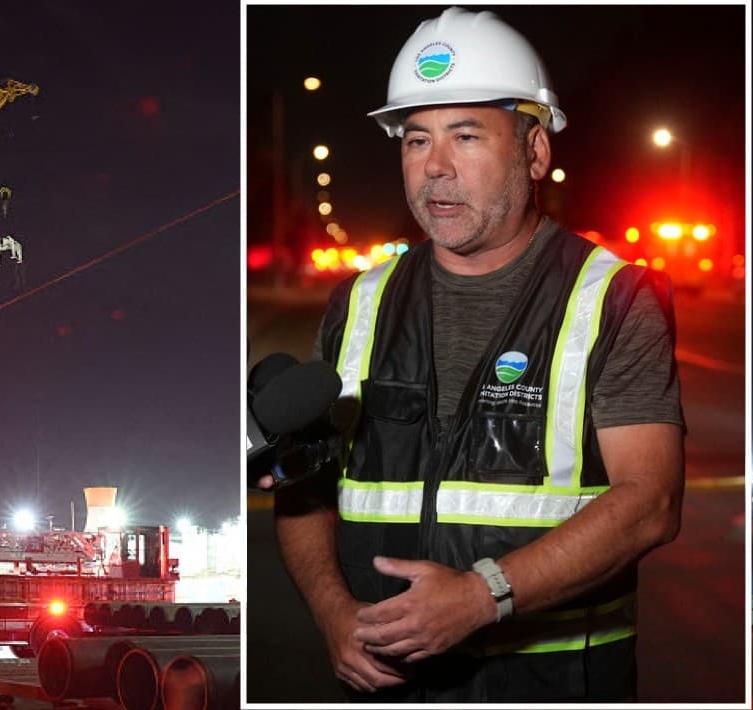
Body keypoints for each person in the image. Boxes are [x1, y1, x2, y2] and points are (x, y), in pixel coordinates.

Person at [272, 7, 685, 702]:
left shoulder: (613, 298)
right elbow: (302, 488)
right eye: (415, 140)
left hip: (550, 683)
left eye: (466, 136)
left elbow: (651, 501)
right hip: (387, 688)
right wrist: (332, 613)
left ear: (534, 152)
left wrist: (481, 597)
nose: (435, 167)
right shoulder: (359, 305)